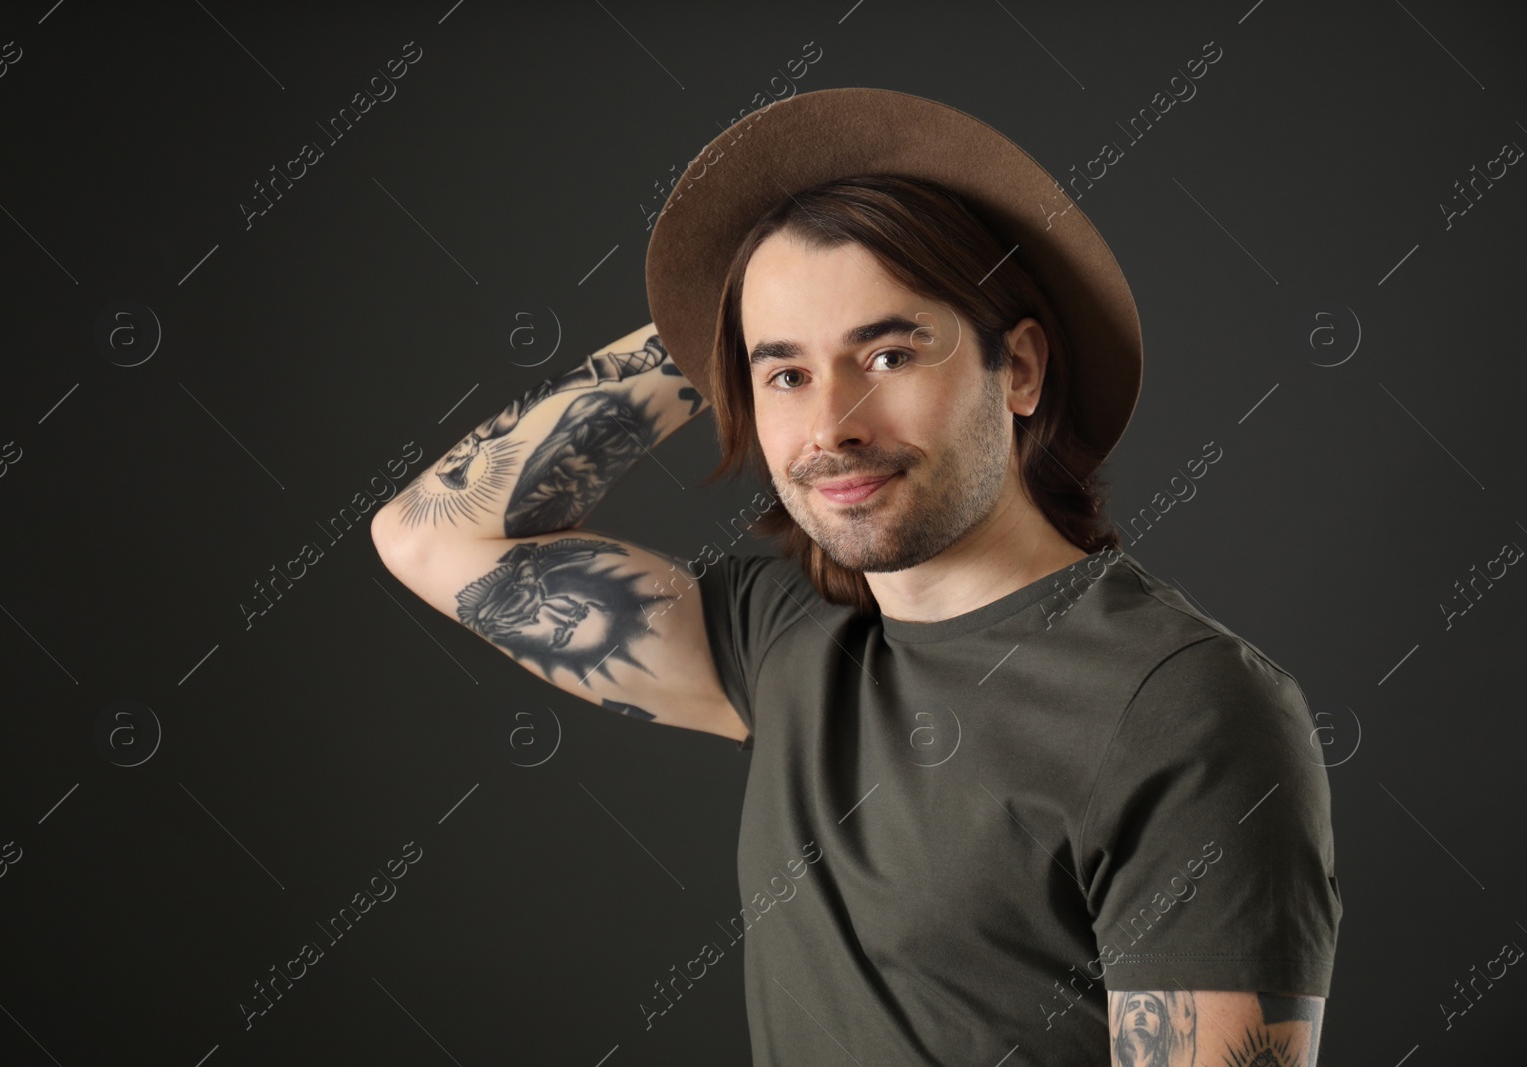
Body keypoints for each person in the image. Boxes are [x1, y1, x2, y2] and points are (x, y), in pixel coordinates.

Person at [371, 87, 1342, 1067]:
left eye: (885, 351)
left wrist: (773, 311)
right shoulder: (785, 640)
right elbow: (429, 536)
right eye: (784, 371)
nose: (832, 423)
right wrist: (721, 298)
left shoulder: (1183, 706)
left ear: (1020, 369)